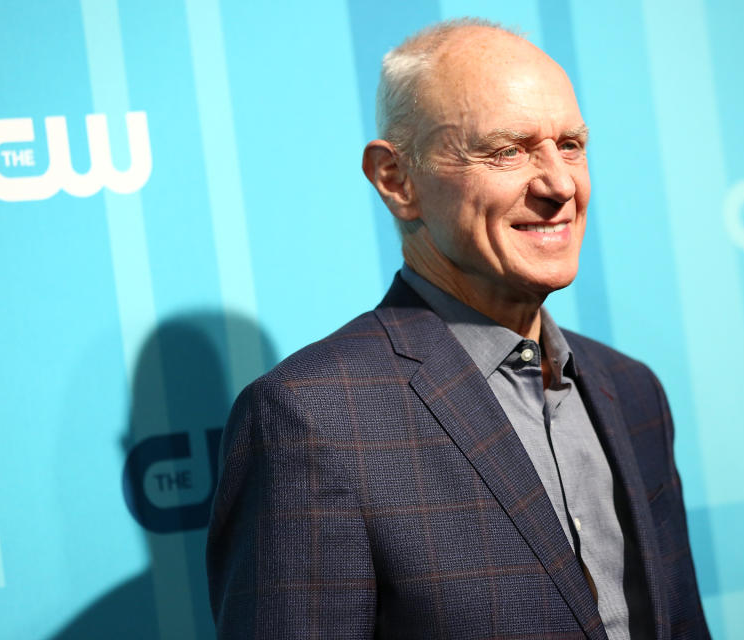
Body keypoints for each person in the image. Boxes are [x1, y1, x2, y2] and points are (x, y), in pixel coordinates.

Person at [207, 18, 710, 640]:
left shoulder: (633, 394)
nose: (560, 184)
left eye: (571, 145)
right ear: (398, 181)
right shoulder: (312, 421)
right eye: (508, 150)